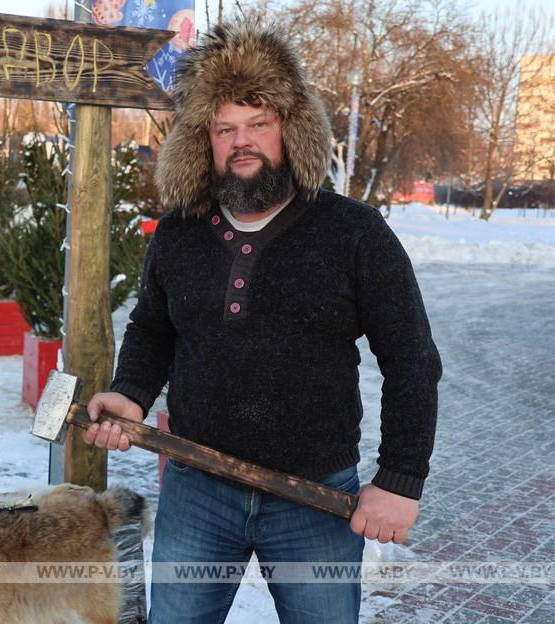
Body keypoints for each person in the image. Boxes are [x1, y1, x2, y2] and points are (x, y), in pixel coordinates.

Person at [83, 20, 441, 624]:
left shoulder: (353, 233)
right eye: (225, 128)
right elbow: (153, 327)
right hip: (197, 490)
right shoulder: (179, 232)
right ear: (204, 140)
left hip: (315, 498)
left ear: (290, 130)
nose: (241, 141)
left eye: (258, 124)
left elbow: (412, 360)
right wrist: (131, 395)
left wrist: (400, 480)